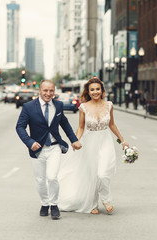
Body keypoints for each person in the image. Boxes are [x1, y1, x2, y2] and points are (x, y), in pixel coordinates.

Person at [58, 77, 129, 214]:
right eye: (92, 90)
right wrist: (75, 140)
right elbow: (80, 128)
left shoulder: (109, 105)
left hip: (105, 141)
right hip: (89, 143)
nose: (95, 92)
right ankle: (92, 204)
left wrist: (122, 141)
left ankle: (106, 200)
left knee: (103, 173)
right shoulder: (83, 107)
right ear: (88, 92)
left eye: (98, 89)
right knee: (92, 174)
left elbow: (112, 125)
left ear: (102, 90)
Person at [16, 80, 82, 220]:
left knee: (52, 177)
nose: (48, 93)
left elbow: (64, 123)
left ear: (54, 91)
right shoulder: (28, 107)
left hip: (54, 147)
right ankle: (44, 204)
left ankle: (54, 205)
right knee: (40, 180)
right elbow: (20, 127)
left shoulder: (58, 105)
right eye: (45, 90)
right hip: (37, 149)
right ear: (39, 91)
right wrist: (29, 142)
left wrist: (73, 139)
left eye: (51, 90)